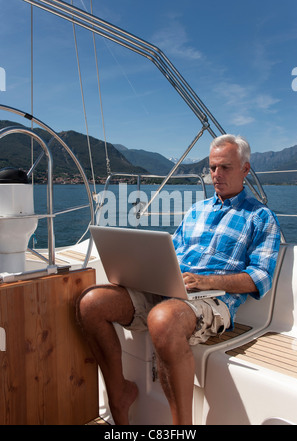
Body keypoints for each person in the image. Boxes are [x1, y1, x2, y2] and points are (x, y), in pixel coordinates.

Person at [76, 134, 281, 425]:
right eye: (212, 168)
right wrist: (142, 269)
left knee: (163, 319)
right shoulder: (196, 210)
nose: (216, 175)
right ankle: (119, 394)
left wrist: (209, 282)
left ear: (245, 169)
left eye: (225, 167)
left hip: (212, 300)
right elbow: (171, 251)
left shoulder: (261, 218)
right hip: (169, 288)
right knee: (92, 302)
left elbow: (260, 278)